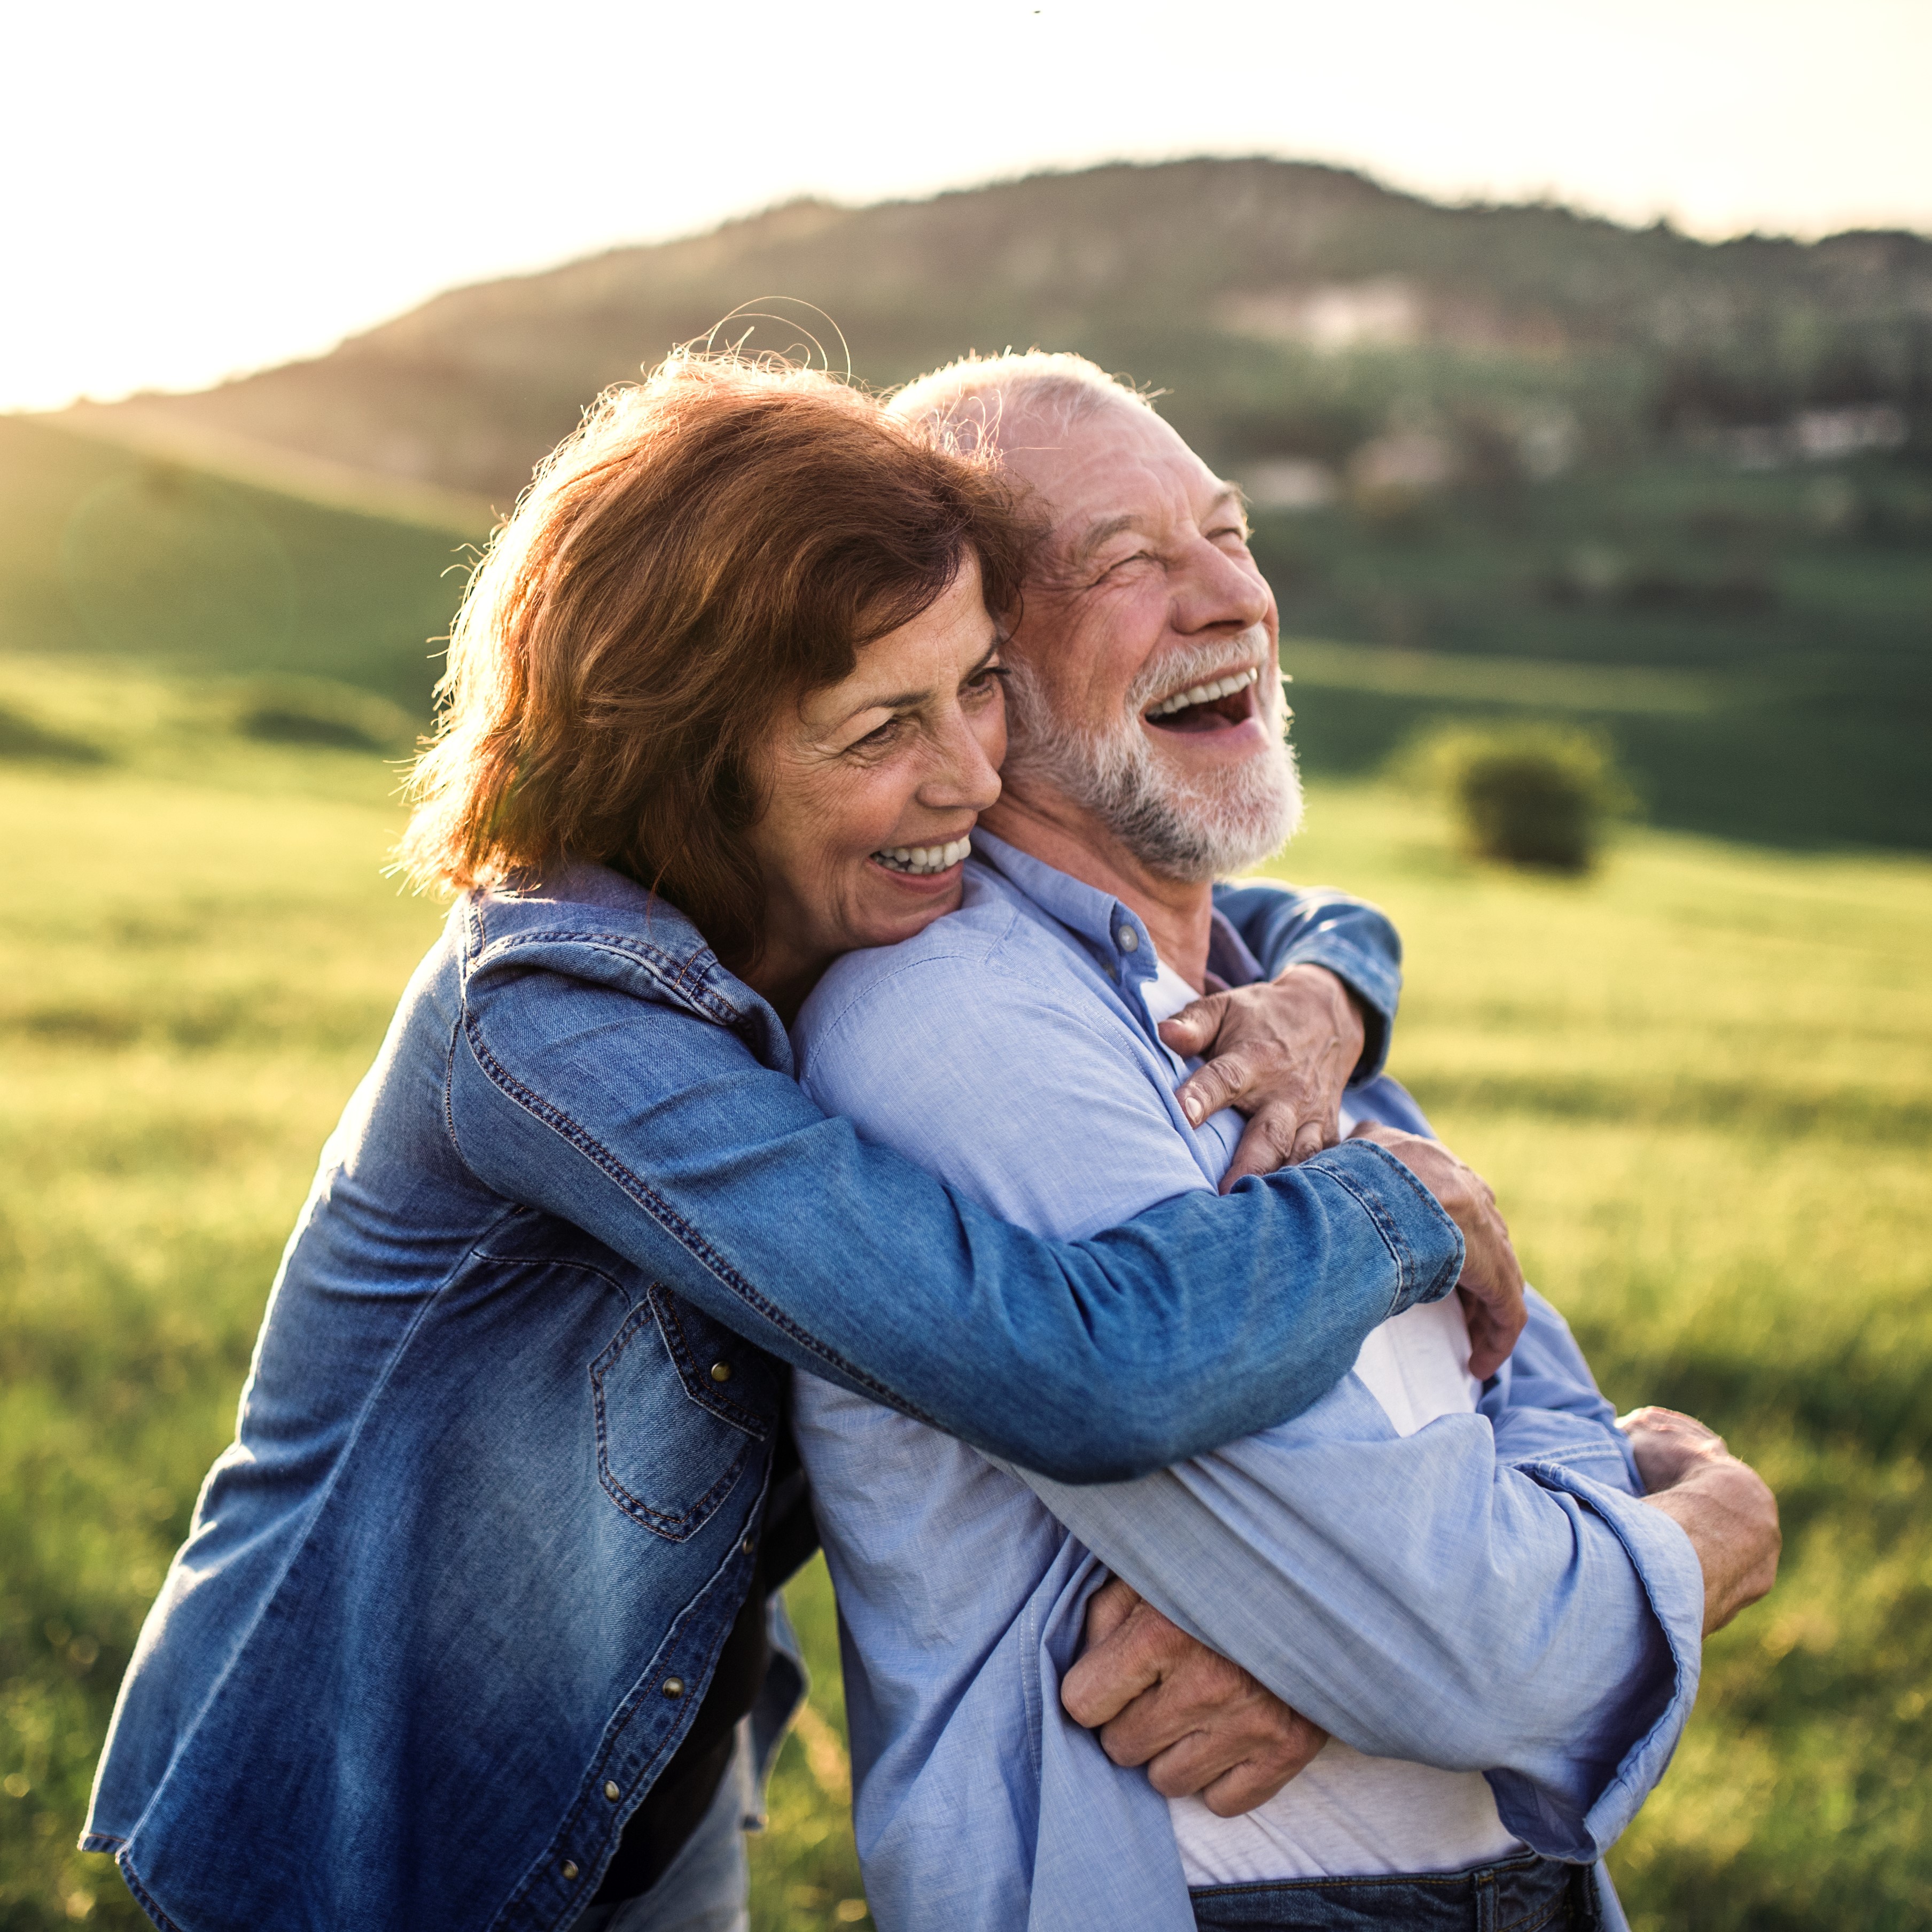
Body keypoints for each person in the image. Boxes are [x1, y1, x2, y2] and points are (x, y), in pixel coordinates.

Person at [80, 354, 1522, 1932]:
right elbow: (1065, 1368)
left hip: (655, 1789)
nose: (972, 774)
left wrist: (1325, 1001)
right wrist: (1395, 1208)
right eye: (879, 728)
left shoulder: (829, 897)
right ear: (690, 758)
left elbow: (1259, 914)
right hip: (365, 1835)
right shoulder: (555, 1025)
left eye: (975, 681)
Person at [788, 354, 1781, 1931]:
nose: (1228, 598)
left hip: (1519, 1882)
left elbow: (1542, 1416)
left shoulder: (1277, 1013)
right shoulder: (957, 1026)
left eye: (1228, 532)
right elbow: (1468, 1653)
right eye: (1125, 563)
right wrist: (1709, 1532)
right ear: (980, 675)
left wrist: (1354, 1655)